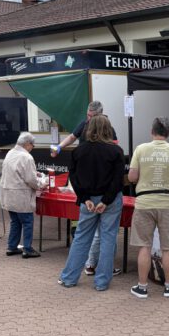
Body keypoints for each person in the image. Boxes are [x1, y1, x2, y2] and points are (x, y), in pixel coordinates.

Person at [51, 100, 121, 276]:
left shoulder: (80, 151)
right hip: (103, 195)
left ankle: (72, 276)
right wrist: (105, 200)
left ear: (98, 115)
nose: (88, 119)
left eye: (91, 116)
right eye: (87, 115)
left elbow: (75, 177)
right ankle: (101, 276)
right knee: (105, 236)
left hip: (91, 193)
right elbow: (117, 179)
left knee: (86, 236)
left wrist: (86, 198)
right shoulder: (114, 150)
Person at [129, 117, 169, 299]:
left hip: (144, 202)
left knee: (144, 246)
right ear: (168, 133)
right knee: (168, 248)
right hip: (168, 203)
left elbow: (132, 177)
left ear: (152, 131)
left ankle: (142, 287)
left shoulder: (141, 149)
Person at [0, 131, 46, 258]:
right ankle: (27, 249)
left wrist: (34, 175)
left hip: (8, 193)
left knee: (15, 221)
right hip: (20, 194)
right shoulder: (27, 157)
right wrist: (41, 184)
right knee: (27, 222)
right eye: (32, 145)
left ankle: (11, 247)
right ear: (27, 144)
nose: (32, 147)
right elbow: (31, 179)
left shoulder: (10, 152)